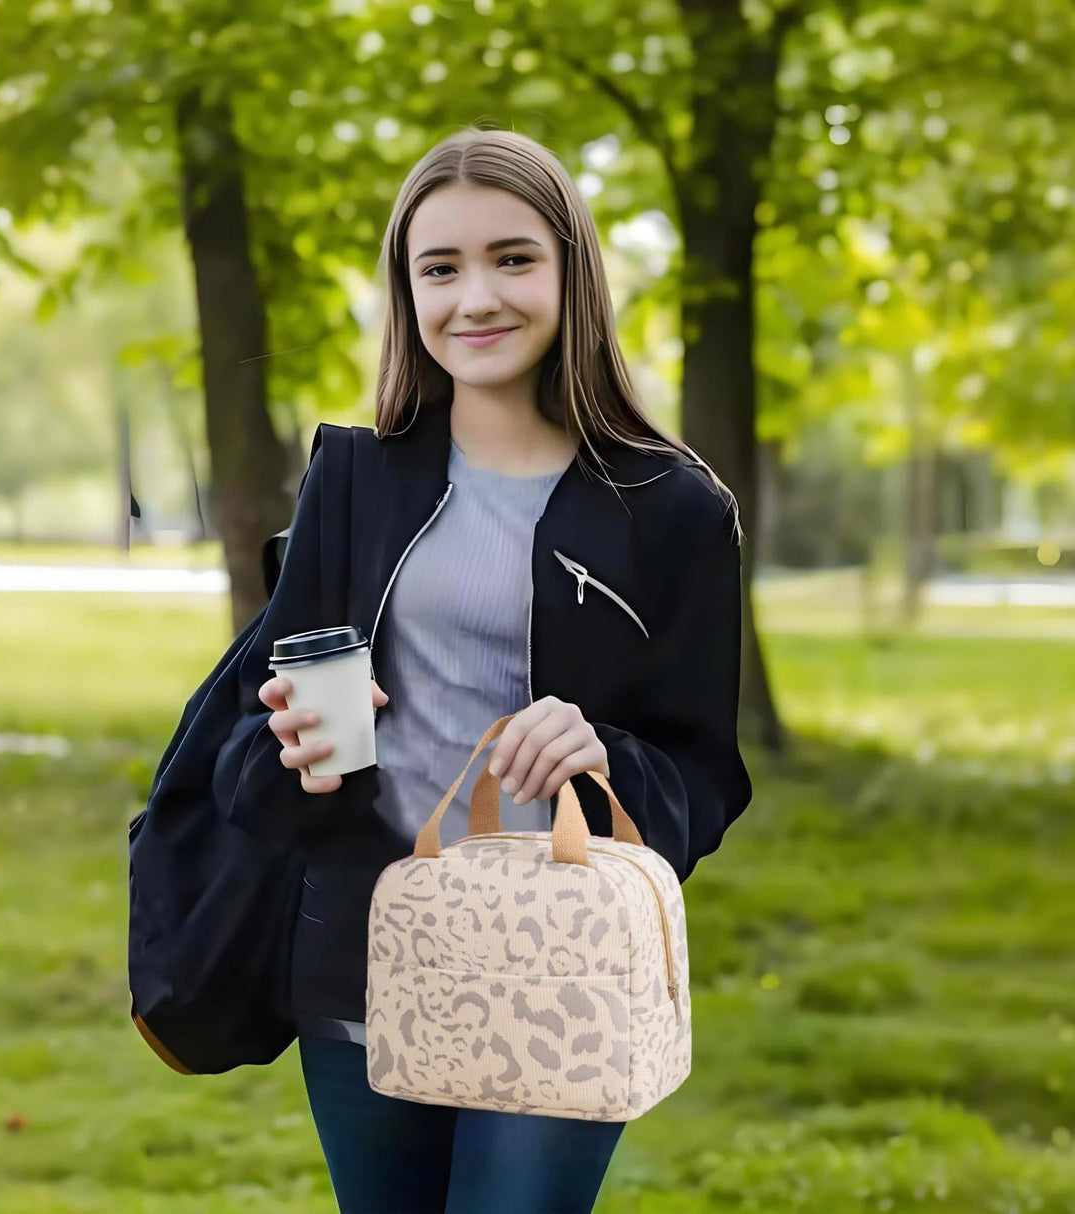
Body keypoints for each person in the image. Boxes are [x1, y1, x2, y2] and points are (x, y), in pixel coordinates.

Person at [241, 127, 752, 1213]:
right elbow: (255, 719)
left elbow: (705, 776)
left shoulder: (675, 511)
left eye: (512, 258)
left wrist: (603, 755)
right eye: (440, 267)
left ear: (571, 271)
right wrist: (294, 747)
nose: (475, 296)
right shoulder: (352, 478)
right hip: (369, 949)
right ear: (407, 291)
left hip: (561, 960)